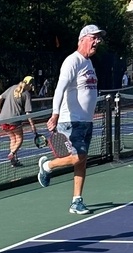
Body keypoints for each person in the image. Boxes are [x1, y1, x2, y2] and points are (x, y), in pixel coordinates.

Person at [36, 24, 103, 216]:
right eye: (93, 38)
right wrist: (55, 114)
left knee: (82, 162)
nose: (97, 41)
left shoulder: (89, 63)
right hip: (70, 121)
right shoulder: (72, 61)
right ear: (82, 39)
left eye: (98, 38)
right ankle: (47, 166)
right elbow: (59, 88)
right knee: (77, 157)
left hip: (86, 122)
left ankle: (77, 201)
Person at [0, 76, 37, 166]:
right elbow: (28, 113)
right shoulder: (26, 94)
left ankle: (14, 161)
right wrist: (33, 126)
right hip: (14, 120)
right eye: (32, 85)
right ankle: (12, 154)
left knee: (12, 139)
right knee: (19, 139)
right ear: (30, 84)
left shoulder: (12, 88)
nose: (32, 87)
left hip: (3, 120)